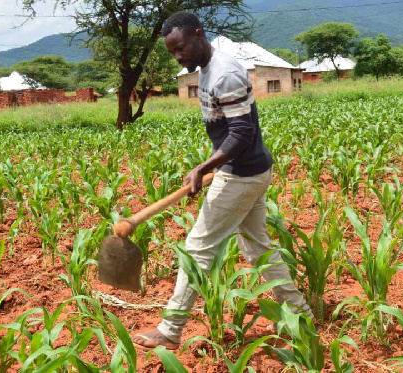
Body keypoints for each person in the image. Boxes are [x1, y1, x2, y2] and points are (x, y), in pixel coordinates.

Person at [131, 11, 312, 350]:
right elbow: (230, 131)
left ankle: (170, 330)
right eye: (172, 52)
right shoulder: (207, 70)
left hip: (242, 174)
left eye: (181, 48)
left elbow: (242, 133)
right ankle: (298, 313)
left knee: (198, 247)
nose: (178, 56)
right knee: (258, 247)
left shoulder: (225, 73)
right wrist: (213, 165)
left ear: (199, 36)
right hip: (249, 170)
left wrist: (203, 168)